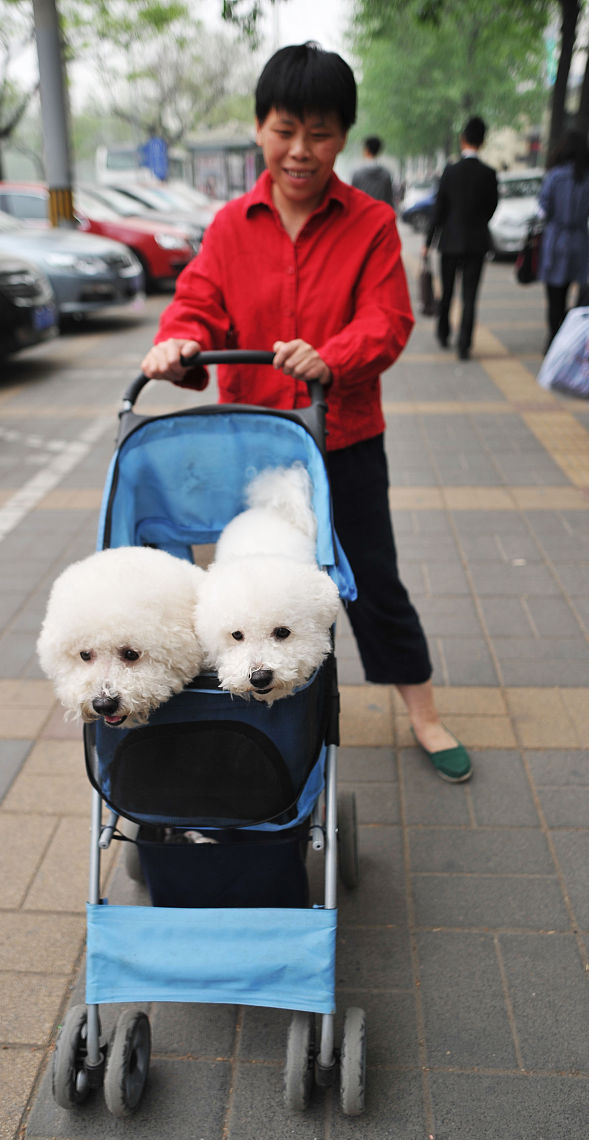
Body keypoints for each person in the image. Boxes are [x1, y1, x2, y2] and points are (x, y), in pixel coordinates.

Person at [140, 42, 472, 783]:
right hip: (250, 448)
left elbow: (387, 320)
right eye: (286, 129)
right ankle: (249, 715)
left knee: (372, 582)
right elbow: (196, 304)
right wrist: (178, 343)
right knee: (248, 589)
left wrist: (333, 356)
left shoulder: (372, 223)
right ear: (260, 127)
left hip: (344, 441)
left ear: (343, 137)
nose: (300, 150)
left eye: (320, 133)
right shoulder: (229, 227)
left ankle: (422, 712)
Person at [423, 116, 498, 361]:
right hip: (477, 243)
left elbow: (439, 209)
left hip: (450, 242)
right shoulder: (489, 174)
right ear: (483, 141)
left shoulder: (450, 171)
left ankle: (444, 333)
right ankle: (464, 344)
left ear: (462, 139)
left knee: (447, 292)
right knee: (470, 296)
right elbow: (491, 207)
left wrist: (428, 242)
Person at [537, 129, 589, 351]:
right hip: (580, 241)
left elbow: (542, 211)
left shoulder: (555, 176)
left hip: (556, 240)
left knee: (555, 294)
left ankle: (553, 338)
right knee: (581, 294)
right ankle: (572, 337)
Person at [351, 135, 395, 207]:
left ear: (366, 150)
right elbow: (389, 199)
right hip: (380, 215)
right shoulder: (386, 174)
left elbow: (353, 199)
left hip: (363, 214)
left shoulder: (357, 174)